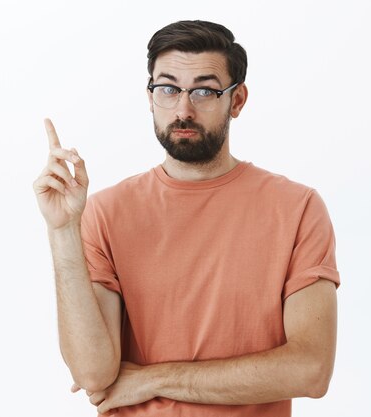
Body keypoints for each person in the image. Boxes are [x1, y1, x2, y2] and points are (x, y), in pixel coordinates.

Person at [32, 20, 339, 417]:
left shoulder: (298, 208)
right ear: (150, 97)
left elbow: (311, 369)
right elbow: (94, 374)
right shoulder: (105, 211)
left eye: (204, 91)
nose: (183, 109)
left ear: (238, 100)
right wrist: (62, 231)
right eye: (168, 88)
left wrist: (154, 379)